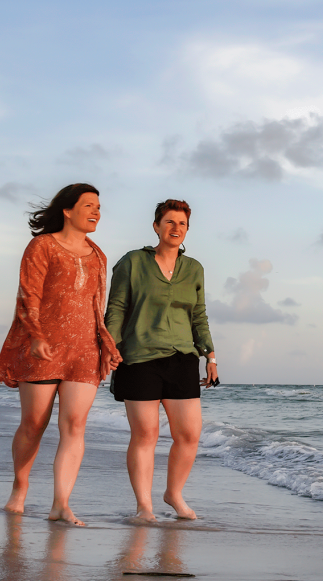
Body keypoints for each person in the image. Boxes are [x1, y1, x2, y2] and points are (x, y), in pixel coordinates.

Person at [0, 183, 122, 525]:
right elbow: (28, 295)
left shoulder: (98, 255)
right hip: (43, 348)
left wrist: (106, 344)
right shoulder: (41, 246)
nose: (96, 212)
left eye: (98, 207)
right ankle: (20, 488)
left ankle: (61, 504)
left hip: (83, 351)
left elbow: (97, 307)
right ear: (67, 210)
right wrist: (34, 336)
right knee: (34, 424)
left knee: (75, 425)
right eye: (89, 205)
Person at [105, 199, 219, 521]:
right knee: (145, 436)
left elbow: (199, 316)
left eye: (182, 224)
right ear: (156, 226)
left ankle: (174, 493)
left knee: (189, 435)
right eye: (169, 222)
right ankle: (144, 506)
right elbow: (116, 309)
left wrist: (210, 355)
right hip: (139, 357)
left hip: (182, 359)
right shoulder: (132, 262)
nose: (176, 229)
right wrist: (109, 346)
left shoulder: (194, 269)